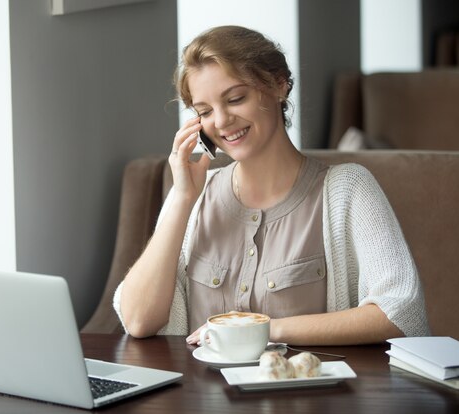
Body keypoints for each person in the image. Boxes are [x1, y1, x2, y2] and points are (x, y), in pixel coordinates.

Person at [113, 25, 430, 346]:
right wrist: (182, 199)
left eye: (235, 98)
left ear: (279, 84)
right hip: (201, 395)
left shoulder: (348, 189)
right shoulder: (194, 195)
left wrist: (268, 330)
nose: (221, 121)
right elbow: (138, 320)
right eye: (205, 111)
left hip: (308, 392)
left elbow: (400, 312)